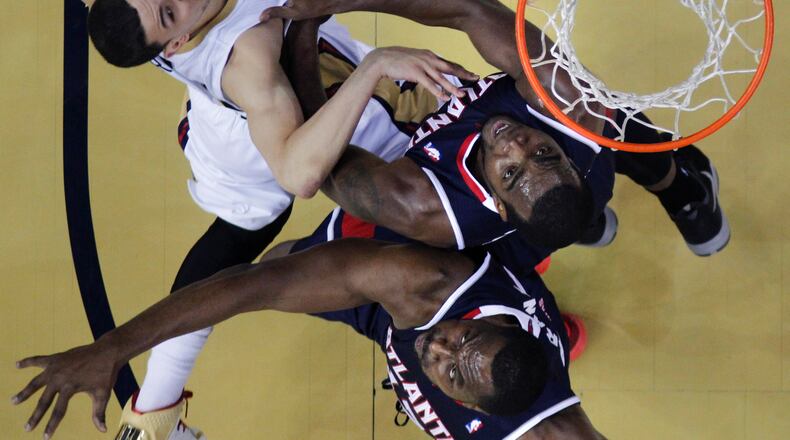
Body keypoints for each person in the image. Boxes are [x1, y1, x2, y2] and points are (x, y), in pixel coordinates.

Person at [12, 234, 605, 440]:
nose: (439, 348)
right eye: (461, 339)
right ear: (484, 321)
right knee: (283, 262)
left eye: (451, 372)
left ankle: (559, 330)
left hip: (520, 353)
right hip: (390, 301)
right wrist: (114, 350)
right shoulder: (423, 288)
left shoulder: (548, 423)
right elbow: (249, 286)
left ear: (476, 408)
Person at [266, 0, 729, 259]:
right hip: (554, 188)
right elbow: (467, 10)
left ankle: (672, 198)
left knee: (605, 134)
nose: (514, 145)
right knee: (604, 110)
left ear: (502, 204)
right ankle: (654, 202)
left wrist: (305, 33)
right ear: (567, 159)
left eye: (510, 173)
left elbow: (324, 164)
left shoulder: (421, 206)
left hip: (511, 235)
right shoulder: (562, 100)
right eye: (544, 154)